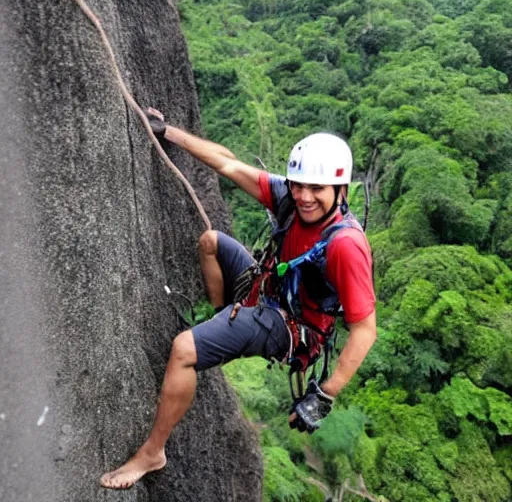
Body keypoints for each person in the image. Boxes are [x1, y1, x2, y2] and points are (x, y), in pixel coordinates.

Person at [100, 108, 377, 489]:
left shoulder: (346, 246)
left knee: (183, 349)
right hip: (265, 291)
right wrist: (170, 133)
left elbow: (364, 329)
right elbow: (229, 165)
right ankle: (223, 320)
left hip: (292, 327)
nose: (304, 197)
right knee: (210, 243)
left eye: (317, 189)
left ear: (340, 190)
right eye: (299, 185)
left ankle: (152, 453)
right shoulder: (288, 198)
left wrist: (325, 393)